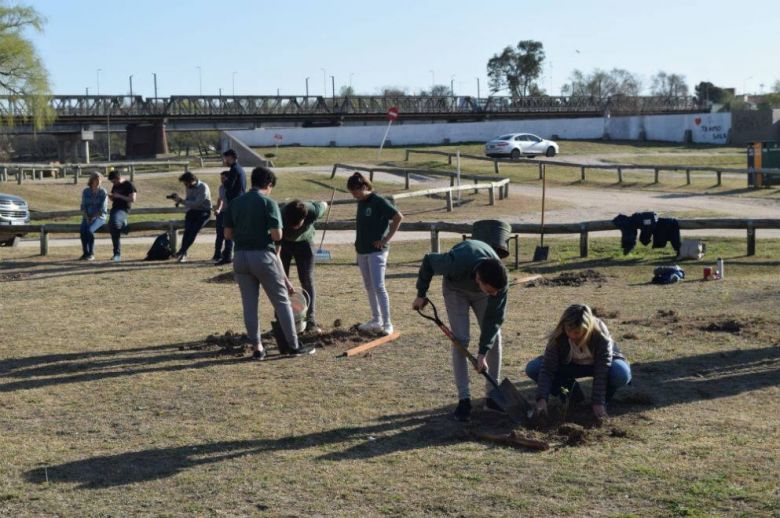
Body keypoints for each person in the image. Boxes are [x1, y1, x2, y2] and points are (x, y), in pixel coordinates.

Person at [223, 166, 314, 360]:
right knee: (281, 301)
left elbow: (228, 234)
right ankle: (293, 345)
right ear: (269, 184)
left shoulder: (236, 203)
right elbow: (277, 235)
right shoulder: (268, 203)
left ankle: (257, 348)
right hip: (263, 256)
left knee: (249, 305)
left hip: (240, 257)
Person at [413, 239, 509, 422]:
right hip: (455, 288)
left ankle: (492, 396)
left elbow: (493, 321)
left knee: (494, 337)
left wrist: (482, 353)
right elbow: (428, 261)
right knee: (460, 339)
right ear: (479, 279)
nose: (493, 295)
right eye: (490, 291)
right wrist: (421, 294)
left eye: (495, 292)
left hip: (479, 289)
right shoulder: (456, 262)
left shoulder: (499, 284)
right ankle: (464, 399)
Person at [525, 304, 632, 421]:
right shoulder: (558, 336)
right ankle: (571, 394)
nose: (572, 335)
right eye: (568, 330)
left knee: (620, 373)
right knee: (534, 368)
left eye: (577, 332)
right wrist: (541, 399)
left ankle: (603, 402)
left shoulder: (600, 335)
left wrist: (598, 402)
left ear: (587, 329)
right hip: (570, 366)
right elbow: (547, 369)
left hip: (597, 365)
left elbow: (602, 371)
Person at [347, 172, 403, 336]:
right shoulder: (361, 202)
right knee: (369, 286)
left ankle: (387, 323)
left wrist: (385, 240)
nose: (354, 196)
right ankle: (376, 319)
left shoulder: (378, 201)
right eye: (352, 193)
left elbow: (398, 217)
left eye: (355, 192)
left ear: (364, 187)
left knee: (379, 286)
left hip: (376, 252)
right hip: (362, 250)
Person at [279, 199, 328, 334]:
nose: (295, 227)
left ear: (305, 217)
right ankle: (281, 321)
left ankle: (310, 321)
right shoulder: (279, 213)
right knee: (280, 282)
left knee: (307, 280)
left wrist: (319, 203)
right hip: (283, 244)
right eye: (291, 224)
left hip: (305, 244)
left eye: (298, 224)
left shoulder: (313, 210)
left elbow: (324, 204)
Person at [172, 171, 212, 263]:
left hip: (203, 212)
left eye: (186, 183)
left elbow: (197, 203)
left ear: (193, 180)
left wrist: (182, 201)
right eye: (184, 184)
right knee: (187, 232)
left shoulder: (203, 187)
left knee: (193, 231)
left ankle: (181, 251)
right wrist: (179, 201)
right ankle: (182, 253)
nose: (186, 186)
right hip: (192, 211)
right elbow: (189, 201)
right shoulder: (188, 187)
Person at [107, 169, 137, 262]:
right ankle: (123, 225)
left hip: (124, 209)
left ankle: (117, 253)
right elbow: (114, 198)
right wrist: (110, 196)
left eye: (113, 181)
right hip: (115, 209)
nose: (113, 183)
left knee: (114, 224)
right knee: (112, 226)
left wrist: (119, 196)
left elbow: (133, 199)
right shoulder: (115, 185)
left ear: (118, 177)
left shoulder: (129, 185)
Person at [79, 172, 108, 260]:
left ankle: (91, 254)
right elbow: (83, 206)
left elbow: (103, 209)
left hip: (99, 217)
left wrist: (93, 217)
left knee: (89, 230)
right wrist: (87, 217)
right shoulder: (86, 191)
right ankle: (85, 253)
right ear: (92, 180)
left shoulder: (103, 192)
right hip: (87, 216)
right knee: (82, 231)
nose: (98, 181)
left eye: (100, 179)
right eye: (96, 179)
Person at [212, 170, 233, 264]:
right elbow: (220, 199)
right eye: (221, 178)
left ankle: (228, 254)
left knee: (229, 235)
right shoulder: (221, 188)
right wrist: (218, 209)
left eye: (224, 178)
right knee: (219, 234)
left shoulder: (233, 188)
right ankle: (217, 253)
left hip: (230, 213)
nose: (222, 180)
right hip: (222, 213)